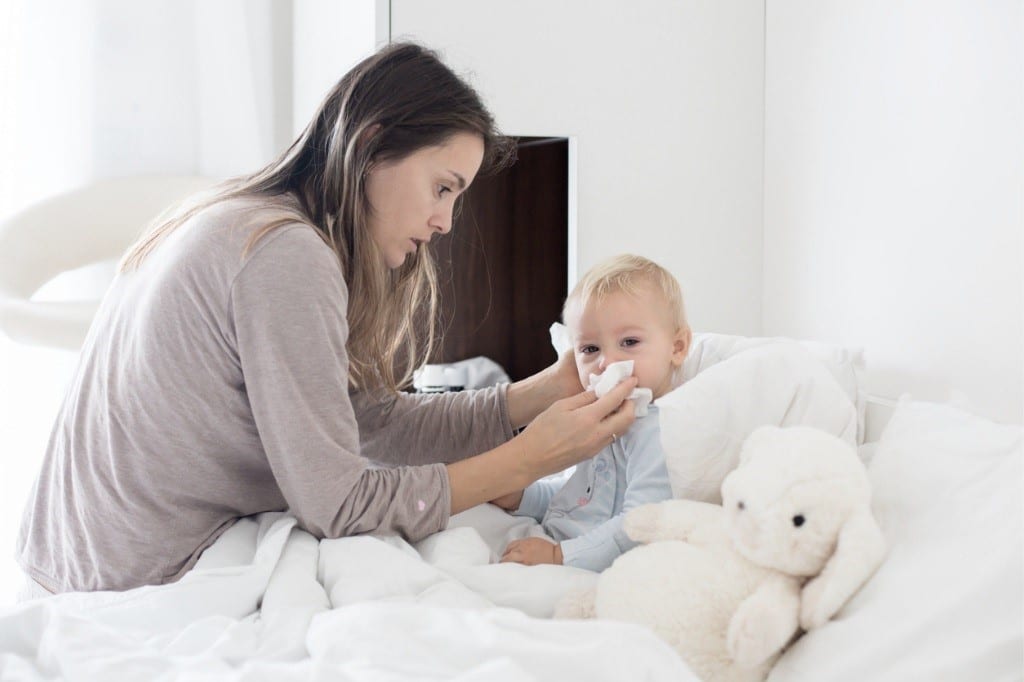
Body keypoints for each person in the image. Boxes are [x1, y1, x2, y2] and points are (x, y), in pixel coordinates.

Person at [16, 42, 638, 596]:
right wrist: (527, 460)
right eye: (443, 188)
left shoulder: (246, 216)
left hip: (69, 563)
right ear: (370, 145)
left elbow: (367, 421)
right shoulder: (285, 254)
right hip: (126, 582)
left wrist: (540, 394)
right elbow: (337, 504)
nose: (447, 222)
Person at [497, 254, 691, 572]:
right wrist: (523, 498)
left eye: (629, 342)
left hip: (592, 564)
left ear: (677, 347)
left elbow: (638, 526)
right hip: (554, 541)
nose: (605, 362)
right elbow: (580, 498)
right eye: (590, 349)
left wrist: (561, 556)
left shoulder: (658, 432)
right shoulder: (599, 419)